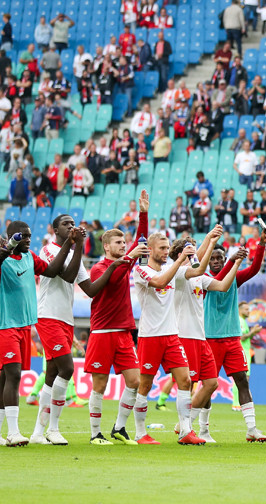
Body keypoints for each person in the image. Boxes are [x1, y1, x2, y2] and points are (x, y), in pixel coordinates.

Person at [30, 216, 124, 445]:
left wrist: (111, 268)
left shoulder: (74, 256)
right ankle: (53, 429)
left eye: (73, 224)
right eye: (66, 224)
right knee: (67, 367)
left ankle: (37, 433)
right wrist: (77, 244)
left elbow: (90, 289)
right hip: (48, 316)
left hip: (65, 319)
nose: (71, 227)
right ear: (55, 229)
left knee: (52, 373)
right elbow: (66, 275)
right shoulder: (48, 250)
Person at [0, 222, 74, 446]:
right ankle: (14, 432)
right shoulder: (0, 259)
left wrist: (67, 243)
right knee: (14, 375)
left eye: (30, 236)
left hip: (24, 325)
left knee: (3, 379)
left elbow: (52, 270)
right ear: (13, 238)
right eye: (24, 237)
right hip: (4, 324)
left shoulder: (30, 258)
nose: (29, 240)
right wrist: (0, 253)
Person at [82, 190, 150, 446]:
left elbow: (140, 240)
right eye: (119, 243)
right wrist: (129, 258)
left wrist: (143, 213)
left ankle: (119, 428)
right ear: (107, 246)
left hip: (123, 333)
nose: (124, 246)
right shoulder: (100, 267)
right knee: (99, 385)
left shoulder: (124, 262)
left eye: (125, 243)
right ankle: (94, 433)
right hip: (101, 334)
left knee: (135, 381)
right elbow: (113, 278)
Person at [132, 234, 207, 445]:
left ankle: (185, 431)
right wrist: (179, 259)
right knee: (145, 386)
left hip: (172, 336)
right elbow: (160, 281)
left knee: (186, 381)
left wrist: (207, 242)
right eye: (162, 248)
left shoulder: (174, 269)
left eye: (167, 248)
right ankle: (140, 433)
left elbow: (199, 271)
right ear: (151, 250)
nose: (166, 251)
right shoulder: (142, 270)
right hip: (150, 336)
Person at [171, 234, 244, 442]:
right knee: (187, 384)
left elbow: (222, 286)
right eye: (192, 251)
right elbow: (200, 267)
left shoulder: (197, 277)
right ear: (181, 254)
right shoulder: (178, 273)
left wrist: (236, 264)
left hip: (201, 337)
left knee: (211, 383)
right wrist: (210, 242)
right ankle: (186, 430)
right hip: (184, 336)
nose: (196, 254)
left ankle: (184, 425)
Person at [203, 239, 266, 442]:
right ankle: (202, 430)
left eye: (219, 258)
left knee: (242, 381)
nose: (215, 261)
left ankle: (251, 428)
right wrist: (232, 261)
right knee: (208, 386)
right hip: (210, 339)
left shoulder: (233, 278)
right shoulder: (202, 278)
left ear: (223, 259)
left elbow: (255, 269)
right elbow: (219, 283)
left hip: (232, 338)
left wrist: (261, 245)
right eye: (212, 258)